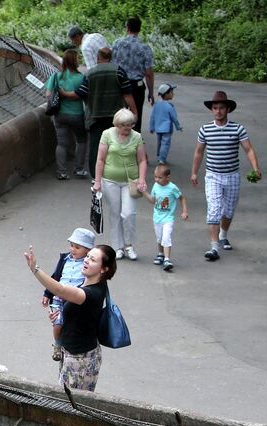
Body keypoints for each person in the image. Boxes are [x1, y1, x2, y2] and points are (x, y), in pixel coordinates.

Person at [24, 243, 117, 392]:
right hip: (70, 353)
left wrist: (35, 269)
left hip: (80, 360)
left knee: (71, 405)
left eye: (93, 260)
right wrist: (59, 315)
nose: (86, 260)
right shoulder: (86, 283)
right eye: (87, 256)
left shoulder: (90, 293)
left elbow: (59, 290)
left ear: (104, 269)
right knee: (66, 400)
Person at [191, 90, 262, 261]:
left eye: (221, 108)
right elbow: (199, 152)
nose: (218, 111)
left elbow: (249, 149)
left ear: (228, 109)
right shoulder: (205, 129)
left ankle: (223, 234)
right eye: (215, 108)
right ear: (212, 110)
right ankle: (214, 247)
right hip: (213, 175)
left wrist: (255, 168)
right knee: (214, 208)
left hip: (232, 176)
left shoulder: (238, 129)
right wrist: (194, 172)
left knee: (228, 211)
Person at [69, 47, 137, 178]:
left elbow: (81, 93)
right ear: (110, 57)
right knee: (117, 143)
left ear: (98, 57)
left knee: (96, 145)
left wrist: (63, 93)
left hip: (95, 115)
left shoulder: (90, 73)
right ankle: (115, 172)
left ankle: (96, 175)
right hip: (116, 116)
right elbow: (127, 94)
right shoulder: (119, 71)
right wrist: (134, 111)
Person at [93, 108, 148, 260]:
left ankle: (129, 245)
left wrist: (142, 179)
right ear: (117, 125)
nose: (128, 129)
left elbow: (142, 160)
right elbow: (100, 159)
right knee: (115, 213)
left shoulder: (136, 137)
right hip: (110, 180)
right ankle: (118, 247)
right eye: (125, 126)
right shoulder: (107, 134)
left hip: (130, 181)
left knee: (128, 213)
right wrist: (98, 181)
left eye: (131, 125)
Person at [41, 227, 96, 362]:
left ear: (88, 250)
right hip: (59, 299)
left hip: (74, 300)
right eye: (71, 246)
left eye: (77, 247)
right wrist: (47, 293)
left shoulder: (88, 264)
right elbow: (55, 277)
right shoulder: (65, 259)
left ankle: (69, 347)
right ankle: (57, 345)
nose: (72, 249)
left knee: (71, 325)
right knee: (58, 324)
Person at [45, 48, 88, 180]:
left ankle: (62, 171)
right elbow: (84, 96)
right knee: (81, 141)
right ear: (74, 61)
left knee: (62, 143)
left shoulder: (56, 76)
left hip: (60, 115)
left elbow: (48, 95)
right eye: (78, 58)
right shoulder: (81, 78)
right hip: (76, 114)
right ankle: (79, 169)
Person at [140, 163, 188, 271]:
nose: (157, 180)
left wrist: (184, 211)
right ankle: (160, 254)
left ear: (168, 177)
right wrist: (144, 192)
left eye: (160, 177)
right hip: (157, 217)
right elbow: (153, 200)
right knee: (160, 238)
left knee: (166, 238)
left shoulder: (172, 188)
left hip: (168, 218)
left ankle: (167, 259)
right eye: (155, 177)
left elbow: (182, 198)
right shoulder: (156, 186)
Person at [112, 16, 155, 132]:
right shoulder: (145, 48)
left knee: (119, 114)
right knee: (136, 114)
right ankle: (134, 141)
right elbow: (149, 73)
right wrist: (151, 92)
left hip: (119, 83)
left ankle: (118, 138)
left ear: (127, 28)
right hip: (137, 85)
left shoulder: (117, 44)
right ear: (139, 29)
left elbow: (112, 65)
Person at [149, 83, 182, 165]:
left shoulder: (156, 104)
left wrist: (151, 127)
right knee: (165, 143)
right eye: (171, 92)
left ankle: (159, 155)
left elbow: (152, 116)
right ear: (166, 94)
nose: (173, 94)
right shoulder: (169, 106)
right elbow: (174, 118)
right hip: (166, 129)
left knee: (159, 142)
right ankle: (162, 158)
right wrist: (178, 127)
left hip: (158, 128)